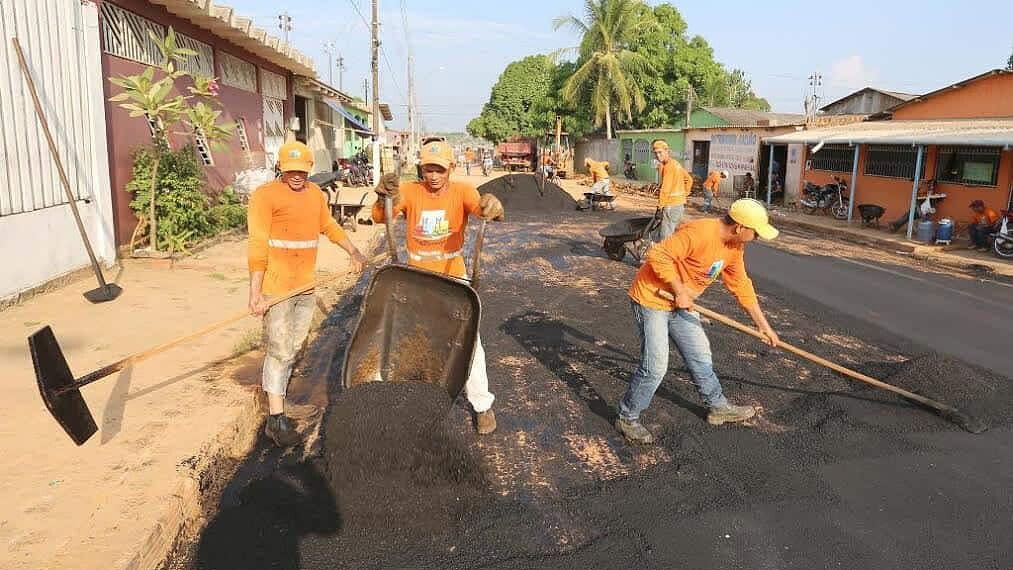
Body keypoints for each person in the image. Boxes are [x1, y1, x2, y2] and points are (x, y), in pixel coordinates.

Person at [615, 199, 782, 445]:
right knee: (655, 366)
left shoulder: (734, 248)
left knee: (701, 355)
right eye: (755, 232)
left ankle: (718, 407)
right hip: (652, 299)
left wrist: (763, 326)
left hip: (682, 304)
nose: (756, 238)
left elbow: (741, 285)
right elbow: (658, 254)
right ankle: (627, 417)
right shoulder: (700, 232)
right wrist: (679, 290)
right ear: (739, 227)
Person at [371, 141, 505, 434]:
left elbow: (487, 211)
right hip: (417, 276)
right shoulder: (409, 191)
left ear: (451, 169)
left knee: (469, 341)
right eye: (428, 168)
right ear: (421, 168)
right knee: (414, 339)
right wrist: (383, 198)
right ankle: (414, 400)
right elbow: (380, 217)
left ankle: (482, 405)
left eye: (439, 169)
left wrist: (493, 205)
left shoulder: (463, 192)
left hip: (452, 276)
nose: (433, 175)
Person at [248, 141, 368, 447]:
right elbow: (258, 243)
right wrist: (256, 293)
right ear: (282, 169)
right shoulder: (265, 196)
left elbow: (328, 225)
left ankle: (281, 402)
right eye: (291, 171)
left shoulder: (315, 195)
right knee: (279, 349)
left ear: (309, 169)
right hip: (276, 289)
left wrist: (353, 251)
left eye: (301, 170)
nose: (297, 176)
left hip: (305, 286)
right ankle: (275, 419)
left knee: (296, 346)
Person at [653, 140, 694, 241]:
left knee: (665, 237)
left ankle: (665, 256)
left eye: (660, 152)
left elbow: (665, 190)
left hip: (671, 206)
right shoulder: (676, 164)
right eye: (655, 153)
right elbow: (689, 179)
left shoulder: (669, 167)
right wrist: (684, 194)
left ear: (667, 151)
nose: (658, 155)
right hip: (679, 205)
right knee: (674, 235)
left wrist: (660, 207)